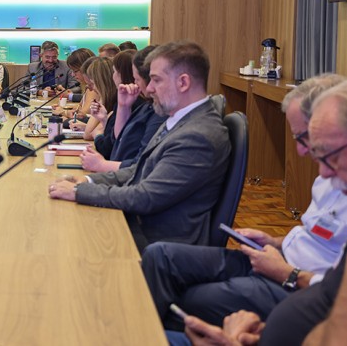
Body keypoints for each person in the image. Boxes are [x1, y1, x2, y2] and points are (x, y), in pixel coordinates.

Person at [142, 74, 347, 335]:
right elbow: (317, 234)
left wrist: (288, 273)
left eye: (303, 137)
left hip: (297, 281)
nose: (302, 151)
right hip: (278, 259)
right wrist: (275, 241)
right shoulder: (327, 175)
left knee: (191, 299)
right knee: (160, 256)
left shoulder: (336, 172)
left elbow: (335, 290)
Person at [48, 40, 230, 251]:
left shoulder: (197, 135)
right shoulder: (180, 120)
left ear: (183, 82)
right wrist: (87, 179)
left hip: (158, 241)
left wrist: (79, 192)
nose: (148, 88)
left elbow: (146, 196)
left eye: (155, 80)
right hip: (144, 224)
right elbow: (139, 170)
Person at [80, 47, 165, 173]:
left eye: (156, 80)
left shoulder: (156, 112)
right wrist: (122, 108)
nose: (150, 88)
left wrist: (101, 166)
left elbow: (141, 166)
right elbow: (119, 146)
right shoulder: (144, 107)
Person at [80, 56, 116, 143]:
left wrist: (102, 98)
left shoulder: (117, 105)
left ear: (102, 82)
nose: (92, 89)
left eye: (92, 83)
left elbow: (88, 135)